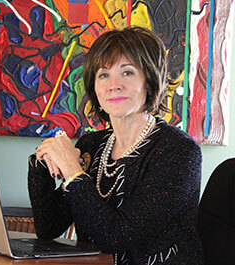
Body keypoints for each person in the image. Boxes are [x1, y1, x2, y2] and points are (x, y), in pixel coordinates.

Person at [28, 26, 203, 264]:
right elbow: (49, 228)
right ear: (95, 87)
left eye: (127, 73)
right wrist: (43, 161)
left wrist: (72, 170)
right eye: (103, 75)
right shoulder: (92, 145)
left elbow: (118, 237)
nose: (114, 84)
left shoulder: (179, 151)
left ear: (149, 82)